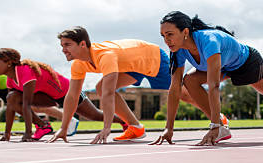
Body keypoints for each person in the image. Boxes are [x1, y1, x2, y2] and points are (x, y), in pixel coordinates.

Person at [151, 11, 263, 146]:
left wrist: (213, 127)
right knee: (189, 80)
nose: (166, 40)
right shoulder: (177, 51)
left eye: (170, 34)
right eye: (163, 35)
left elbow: (214, 86)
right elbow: (175, 88)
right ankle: (221, 126)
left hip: (246, 62)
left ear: (185, 32)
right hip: (225, 66)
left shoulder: (208, 41)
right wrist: (169, 128)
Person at [48, 26, 203, 144]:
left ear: (82, 44)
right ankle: (135, 127)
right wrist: (63, 127)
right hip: (130, 65)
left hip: (151, 58)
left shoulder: (105, 56)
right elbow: (72, 95)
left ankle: (217, 118)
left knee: (182, 94)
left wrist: (107, 128)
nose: (63, 50)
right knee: (100, 88)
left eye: (67, 45)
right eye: (62, 45)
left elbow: (109, 94)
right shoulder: (78, 64)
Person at [0, 48, 128, 142]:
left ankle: (125, 121)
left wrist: (28, 134)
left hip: (68, 92)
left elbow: (27, 104)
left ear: (9, 63)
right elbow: (11, 106)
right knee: (12, 98)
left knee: (95, 115)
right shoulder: (10, 79)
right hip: (50, 98)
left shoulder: (25, 71)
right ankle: (43, 126)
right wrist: (6, 134)